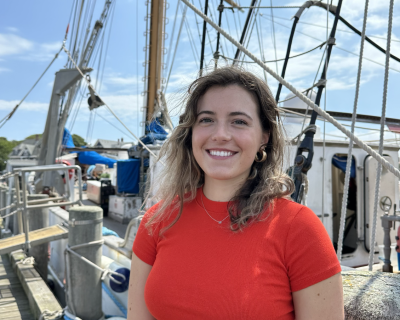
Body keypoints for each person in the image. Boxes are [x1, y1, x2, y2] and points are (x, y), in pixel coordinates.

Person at [127, 67, 344, 320]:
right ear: (191, 133)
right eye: (206, 119)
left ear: (264, 137)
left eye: (239, 121)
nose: (220, 135)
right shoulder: (158, 220)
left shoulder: (299, 229)